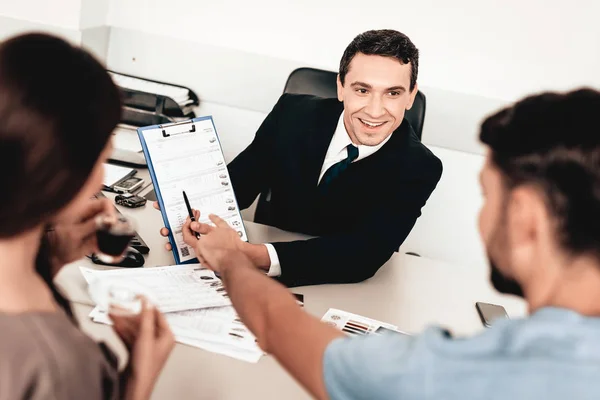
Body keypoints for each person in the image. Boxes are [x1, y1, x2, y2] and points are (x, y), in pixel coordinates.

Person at [182, 88, 600, 399]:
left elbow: (299, 341)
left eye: (487, 196)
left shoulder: (479, 372)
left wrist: (233, 261)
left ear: (526, 219)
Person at [158, 29, 443, 286]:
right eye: (362, 90)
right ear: (341, 87)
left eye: (392, 93)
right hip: (249, 279)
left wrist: (249, 254)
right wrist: (195, 221)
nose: (375, 110)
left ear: (410, 96)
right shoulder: (292, 114)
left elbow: (363, 254)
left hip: (339, 288)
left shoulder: (419, 167)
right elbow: (235, 188)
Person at [0, 33, 174, 399]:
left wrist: (52, 256)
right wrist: (137, 383)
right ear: (71, 174)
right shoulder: (57, 366)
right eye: (105, 153)